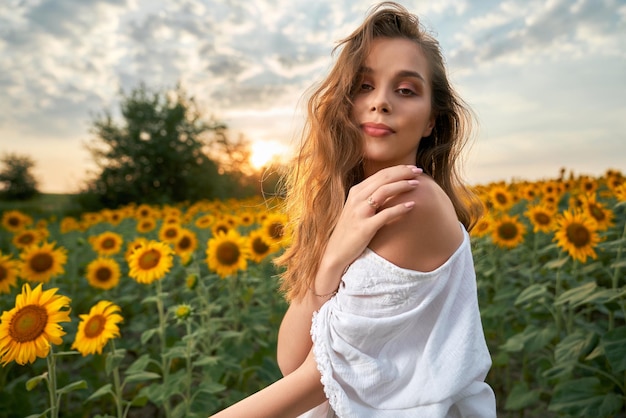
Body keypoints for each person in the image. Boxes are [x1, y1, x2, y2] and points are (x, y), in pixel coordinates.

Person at [211, 2, 496, 417]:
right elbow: (292, 360)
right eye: (364, 85)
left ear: (432, 119)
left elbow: (316, 379)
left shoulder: (411, 202)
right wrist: (332, 258)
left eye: (405, 90)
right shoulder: (352, 206)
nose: (380, 102)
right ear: (344, 101)